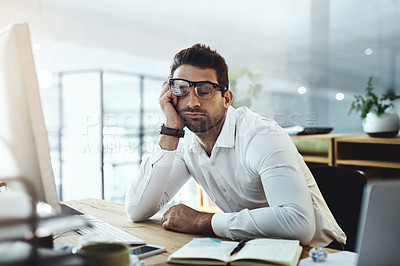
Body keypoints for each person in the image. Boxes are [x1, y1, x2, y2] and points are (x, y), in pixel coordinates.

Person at [125, 43, 346, 246]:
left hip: (319, 253)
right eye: (181, 89)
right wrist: (170, 131)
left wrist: (202, 221)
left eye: (205, 90)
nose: (192, 102)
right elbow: (137, 210)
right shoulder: (186, 143)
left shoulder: (261, 135)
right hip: (255, 248)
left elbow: (298, 225)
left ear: (227, 98)